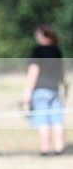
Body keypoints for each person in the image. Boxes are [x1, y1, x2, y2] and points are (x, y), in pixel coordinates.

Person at [22, 24, 65, 156]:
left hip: (40, 90)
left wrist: (27, 91)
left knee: (43, 121)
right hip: (55, 90)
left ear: (41, 36)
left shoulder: (38, 51)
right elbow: (61, 72)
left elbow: (34, 72)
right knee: (57, 121)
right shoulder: (56, 51)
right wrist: (65, 86)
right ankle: (59, 149)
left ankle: (44, 150)